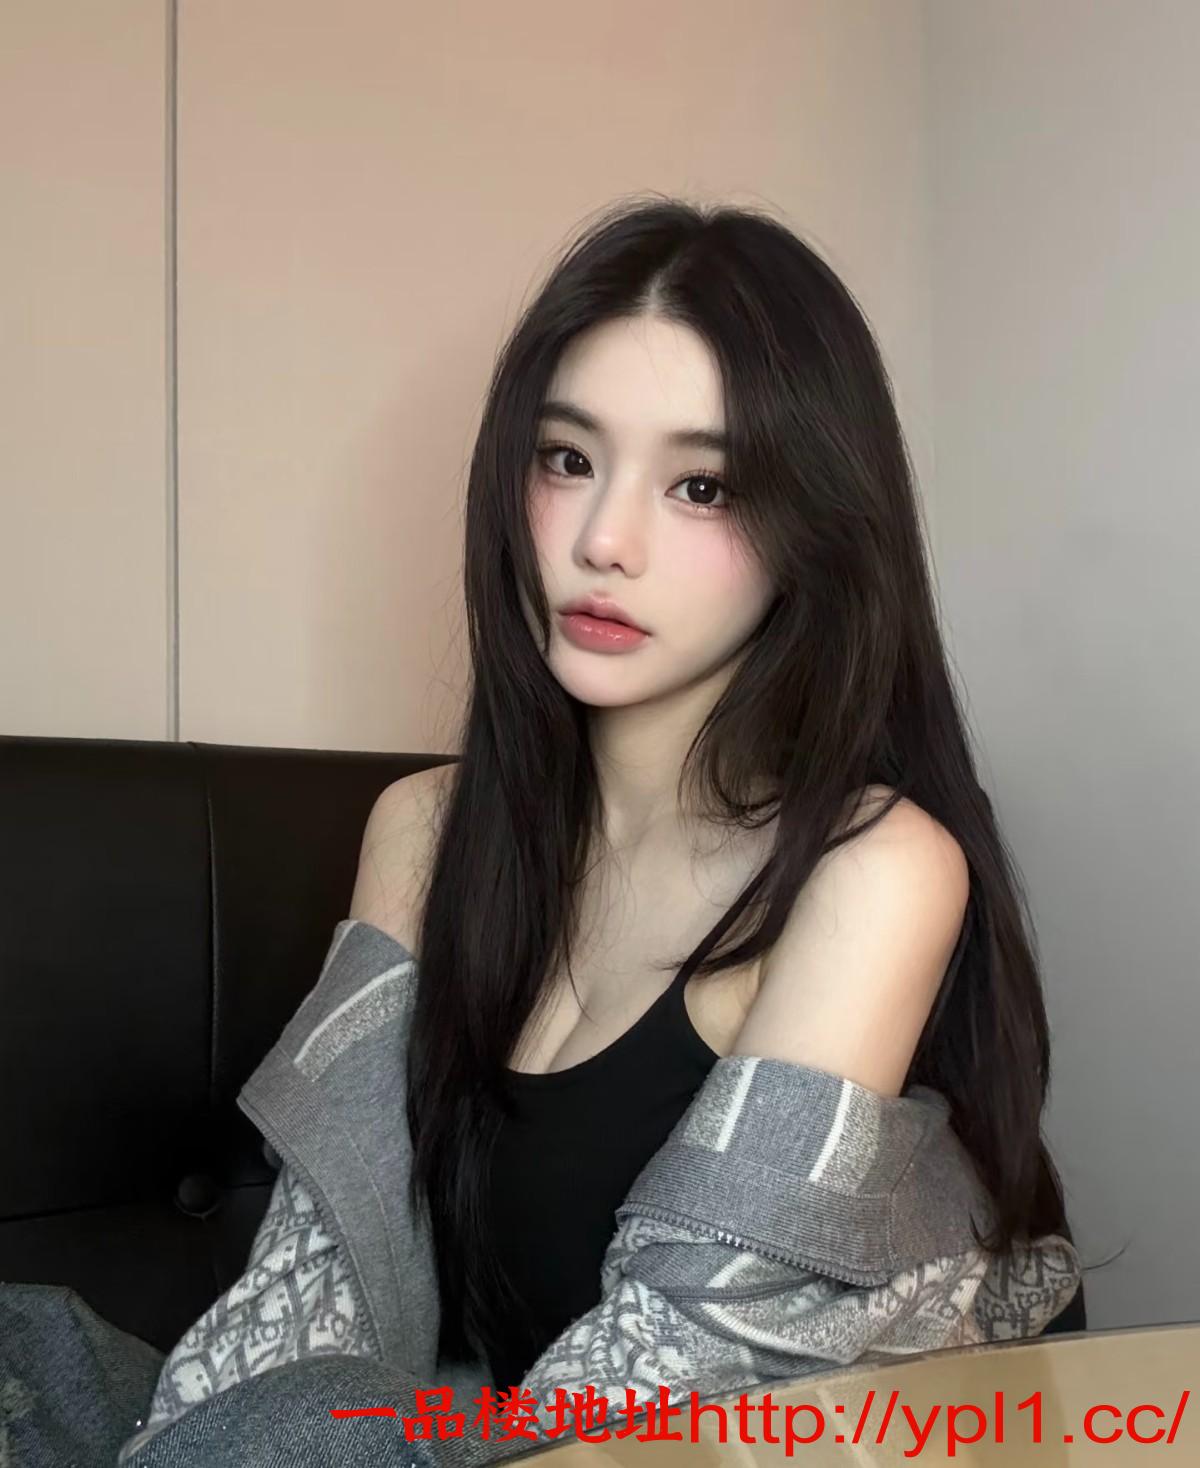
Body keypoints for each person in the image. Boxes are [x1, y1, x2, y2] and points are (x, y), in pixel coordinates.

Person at [111, 195, 1085, 1465]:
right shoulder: (422, 830)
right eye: (567, 459)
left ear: (816, 527)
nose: (601, 541)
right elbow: (320, 1286)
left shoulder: (875, 869)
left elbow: (673, 1376)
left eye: (702, 486)